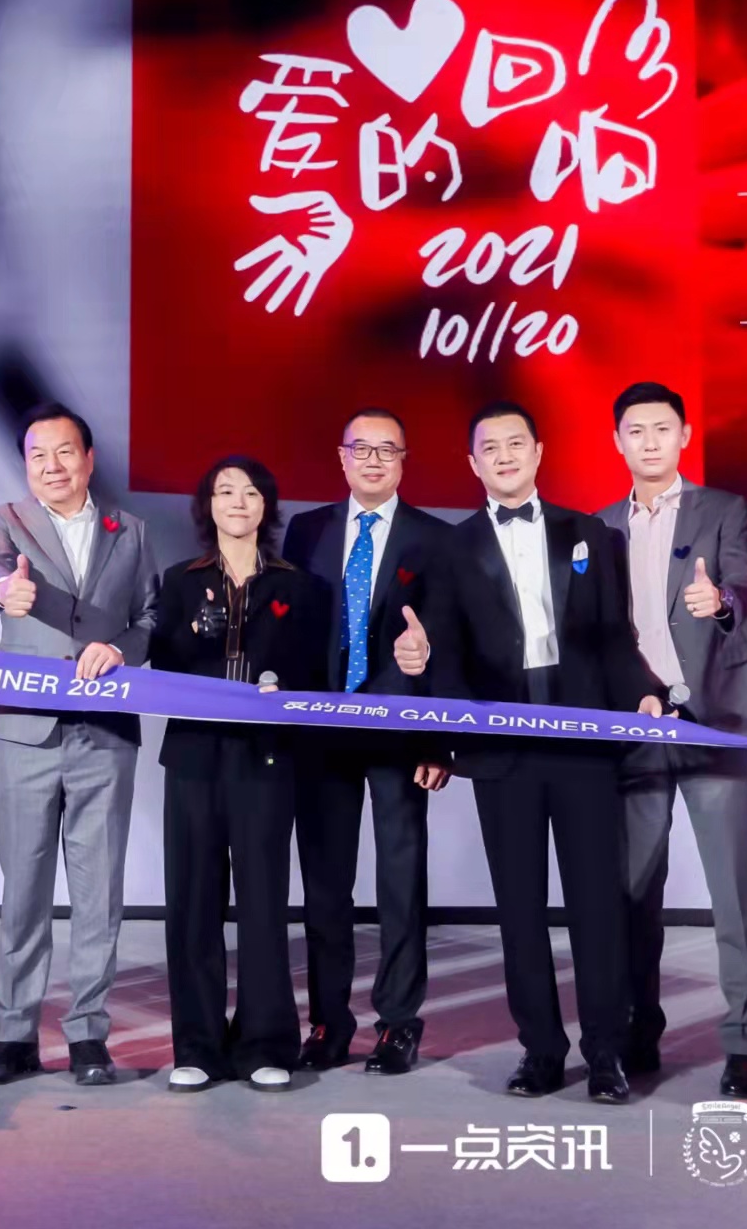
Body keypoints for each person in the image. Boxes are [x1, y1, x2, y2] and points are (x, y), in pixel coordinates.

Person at [402, 401, 665, 1103]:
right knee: (519, 908)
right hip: (502, 752)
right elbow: (446, 656)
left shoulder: (590, 534)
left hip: (583, 743)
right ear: (473, 463)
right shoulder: (450, 549)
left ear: (539, 451)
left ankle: (605, 1051)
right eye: (490, 447)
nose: (505, 456)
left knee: (597, 905)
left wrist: (643, 694)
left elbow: (616, 639)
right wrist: (439, 740)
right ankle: (541, 1050)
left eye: (516, 443)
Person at [0, 403, 158, 1087]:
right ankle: (13, 1033)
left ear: (88, 458)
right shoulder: (3, 520)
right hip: (24, 729)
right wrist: (4, 591)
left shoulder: (129, 530)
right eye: (37, 455)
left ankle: (88, 1035)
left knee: (98, 890)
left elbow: (151, 616)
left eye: (64, 452)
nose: (51, 466)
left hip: (104, 731)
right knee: (23, 885)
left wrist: (122, 646)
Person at [595, 382, 747, 1101]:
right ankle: (639, 1030)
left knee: (734, 889)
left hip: (713, 722)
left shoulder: (722, 510)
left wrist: (721, 600)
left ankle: (744, 1044)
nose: (649, 441)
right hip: (635, 727)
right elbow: (599, 630)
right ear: (618, 442)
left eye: (661, 429)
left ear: (684, 436)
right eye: (635, 430)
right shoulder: (599, 527)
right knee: (633, 892)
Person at [280, 407, 451, 1075]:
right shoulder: (308, 529)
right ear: (342, 456)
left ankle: (399, 1023)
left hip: (400, 731)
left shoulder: (436, 538)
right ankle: (328, 1021)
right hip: (321, 732)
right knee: (325, 884)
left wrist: (439, 736)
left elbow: (452, 641)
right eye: (362, 448)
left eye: (388, 450)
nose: (374, 460)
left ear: (404, 460)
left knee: (401, 880)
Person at [152, 457, 329, 1092]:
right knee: (193, 902)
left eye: (250, 492)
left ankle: (265, 1043)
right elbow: (163, 665)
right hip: (194, 757)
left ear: (266, 506)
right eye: (224, 491)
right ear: (208, 505)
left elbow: (315, 672)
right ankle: (197, 1046)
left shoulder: (299, 587)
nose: (237, 501)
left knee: (263, 902)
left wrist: (283, 684)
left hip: (266, 758)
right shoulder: (179, 581)